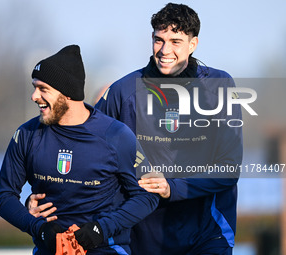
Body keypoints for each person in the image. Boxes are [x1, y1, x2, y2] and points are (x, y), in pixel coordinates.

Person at [28, 3, 243, 254]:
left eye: (175, 41)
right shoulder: (123, 91)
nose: (165, 50)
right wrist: (44, 197)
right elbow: (80, 148)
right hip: (143, 235)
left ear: (193, 44)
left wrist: (172, 187)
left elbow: (229, 168)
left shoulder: (219, 86)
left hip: (207, 233)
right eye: (159, 40)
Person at [0, 45, 159, 255]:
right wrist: (39, 228)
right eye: (34, 87)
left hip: (106, 249)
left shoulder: (116, 135)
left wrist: (102, 229)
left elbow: (147, 196)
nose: (34, 96)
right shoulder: (27, 134)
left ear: (68, 93)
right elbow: (4, 196)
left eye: (43, 89)